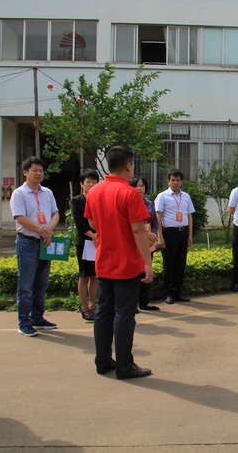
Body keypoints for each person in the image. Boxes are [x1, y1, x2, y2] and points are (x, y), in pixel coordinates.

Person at [84, 146, 153, 379]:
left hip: (104, 261)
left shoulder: (94, 191)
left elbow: (92, 224)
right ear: (129, 165)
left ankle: (103, 362)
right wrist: (147, 263)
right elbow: (138, 230)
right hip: (126, 264)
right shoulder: (131, 194)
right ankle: (125, 366)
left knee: (103, 313)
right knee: (124, 315)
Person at [10, 157, 60, 337]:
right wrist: (41, 230)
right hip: (27, 242)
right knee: (26, 286)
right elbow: (20, 217)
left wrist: (49, 229)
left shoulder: (47, 192)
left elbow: (55, 213)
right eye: (34, 170)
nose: (38, 173)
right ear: (25, 172)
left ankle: (37, 318)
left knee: (42, 284)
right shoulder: (19, 193)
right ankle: (24, 322)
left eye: (41, 170)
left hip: (45, 242)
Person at [155, 169, 195, 304]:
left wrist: (190, 235)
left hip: (183, 232)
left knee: (180, 264)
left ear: (181, 182)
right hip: (169, 233)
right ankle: (168, 293)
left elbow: (189, 216)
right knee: (169, 264)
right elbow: (158, 217)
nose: (175, 182)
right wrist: (160, 236)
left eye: (178, 180)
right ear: (168, 181)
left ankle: (178, 292)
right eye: (173, 180)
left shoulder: (186, 196)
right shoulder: (162, 196)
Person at [71, 169, 99, 321]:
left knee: (94, 275)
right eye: (88, 182)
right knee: (84, 275)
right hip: (84, 241)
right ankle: (84, 307)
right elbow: (79, 223)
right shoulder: (77, 201)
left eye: (94, 182)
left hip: (98, 241)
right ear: (82, 184)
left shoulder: (99, 199)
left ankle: (93, 304)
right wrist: (92, 235)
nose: (91, 184)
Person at [130, 176, 160, 311]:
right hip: (135, 240)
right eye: (136, 185)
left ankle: (144, 301)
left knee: (146, 270)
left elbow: (155, 222)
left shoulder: (149, 204)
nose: (139, 188)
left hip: (149, 241)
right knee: (134, 272)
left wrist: (152, 237)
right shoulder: (129, 203)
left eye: (141, 185)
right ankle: (132, 303)